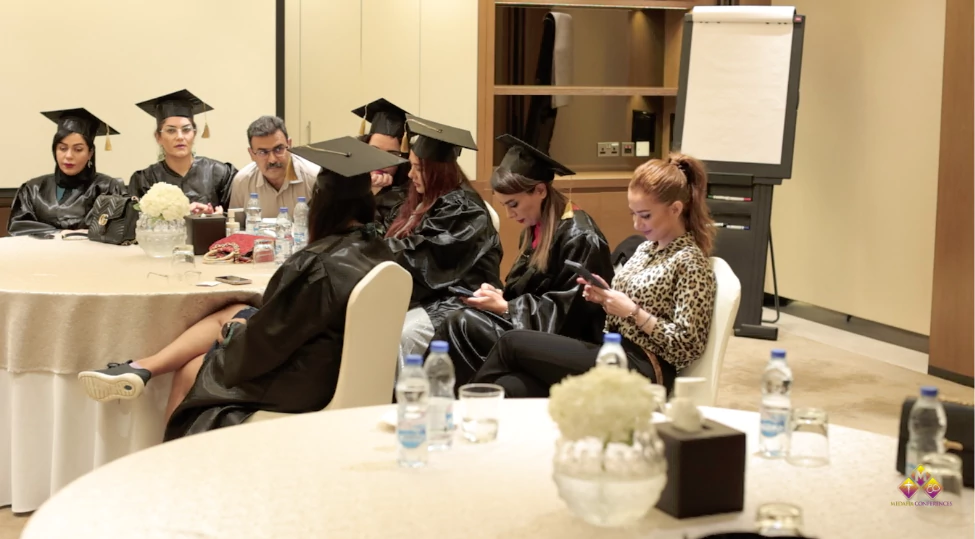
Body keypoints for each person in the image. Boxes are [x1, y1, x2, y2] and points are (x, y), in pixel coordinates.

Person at [78, 136, 406, 440]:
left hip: (308, 383)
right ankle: (142, 367)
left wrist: (236, 336)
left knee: (194, 369)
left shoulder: (316, 264)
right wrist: (243, 323)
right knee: (234, 311)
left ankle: (167, 471)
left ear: (321, 202)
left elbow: (262, 348)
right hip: (340, 367)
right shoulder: (379, 246)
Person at [470, 153, 718, 396]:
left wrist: (633, 312)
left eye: (645, 215)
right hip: (612, 348)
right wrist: (605, 297)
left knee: (511, 342)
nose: (637, 224)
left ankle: (460, 416)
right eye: (633, 213)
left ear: (675, 209)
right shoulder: (645, 248)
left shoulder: (690, 261)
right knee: (510, 385)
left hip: (645, 366)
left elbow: (687, 347)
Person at [430, 134, 613, 389]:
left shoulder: (580, 236)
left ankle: (448, 402)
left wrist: (507, 308)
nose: (508, 214)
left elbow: (571, 312)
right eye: (504, 205)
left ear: (539, 190)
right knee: (459, 316)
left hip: (570, 341)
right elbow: (530, 291)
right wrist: (498, 298)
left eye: (513, 204)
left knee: (461, 324)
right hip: (532, 326)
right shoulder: (538, 228)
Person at [386, 115, 503, 364]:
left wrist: (371, 250)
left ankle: (405, 398)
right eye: (411, 166)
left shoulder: (463, 209)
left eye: (418, 168)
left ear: (438, 172)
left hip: (459, 299)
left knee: (403, 334)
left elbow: (423, 258)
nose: (410, 174)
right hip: (431, 294)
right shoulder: (423, 199)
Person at [7, 108, 125, 236]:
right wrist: (61, 233)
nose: (68, 156)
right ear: (54, 150)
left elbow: (115, 231)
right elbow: (18, 227)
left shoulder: (107, 188)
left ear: (90, 153)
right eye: (62, 148)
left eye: (78, 149)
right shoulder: (33, 189)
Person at [129, 89, 237, 214]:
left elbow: (239, 217)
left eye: (186, 130)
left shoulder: (219, 173)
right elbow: (135, 224)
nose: (180, 137)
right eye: (171, 131)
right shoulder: (144, 179)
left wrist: (217, 217)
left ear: (194, 134)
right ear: (158, 137)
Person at [228, 115, 319, 217]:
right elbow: (236, 228)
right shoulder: (242, 182)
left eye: (278, 149)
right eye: (263, 152)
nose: (272, 160)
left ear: (289, 145)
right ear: (251, 154)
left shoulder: (314, 178)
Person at [351, 98, 412, 222]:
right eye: (374, 150)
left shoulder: (408, 195)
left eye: (392, 154)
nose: (381, 161)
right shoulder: (346, 180)